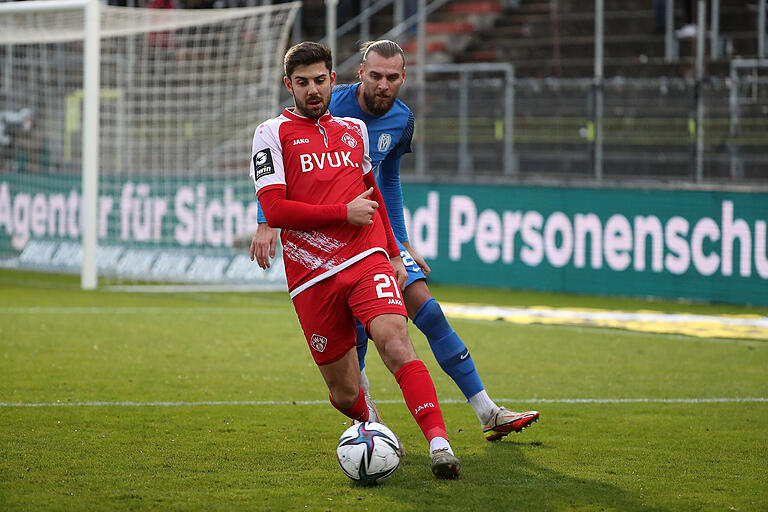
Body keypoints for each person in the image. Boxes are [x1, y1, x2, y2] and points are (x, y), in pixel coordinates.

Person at [252, 40, 539, 443]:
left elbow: (386, 179)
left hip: (370, 237)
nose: (383, 85)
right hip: (326, 247)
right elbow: (286, 173)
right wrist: (266, 220)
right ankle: (367, 423)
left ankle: (487, 410)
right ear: (358, 76)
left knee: (428, 312)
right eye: (375, 76)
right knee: (355, 339)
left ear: (403, 78)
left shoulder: (402, 119)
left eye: (391, 77)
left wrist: (399, 244)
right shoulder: (332, 107)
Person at [249, 41, 460, 479]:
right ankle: (374, 427)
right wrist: (341, 213)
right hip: (312, 277)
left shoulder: (353, 130)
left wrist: (393, 250)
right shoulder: (270, 134)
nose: (313, 90)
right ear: (289, 85)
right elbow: (275, 211)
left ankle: (440, 443)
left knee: (396, 343)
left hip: (366, 258)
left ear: (333, 79)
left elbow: (375, 193)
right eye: (303, 83)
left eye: (321, 80)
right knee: (344, 393)